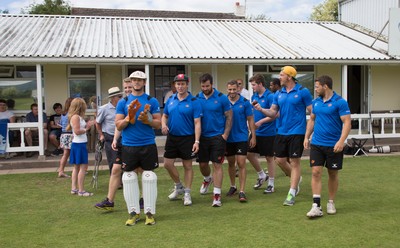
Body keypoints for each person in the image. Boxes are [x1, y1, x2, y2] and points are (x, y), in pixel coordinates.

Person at [254, 66, 313, 206]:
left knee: (294, 161)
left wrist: (308, 133)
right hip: (281, 131)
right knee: (279, 160)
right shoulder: (278, 94)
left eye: (281, 75)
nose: (279, 77)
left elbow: (313, 113)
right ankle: (296, 178)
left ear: (289, 76)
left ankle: (291, 192)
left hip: (297, 132)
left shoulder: (303, 92)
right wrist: (261, 109)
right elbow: (273, 112)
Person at [115, 71, 161, 225]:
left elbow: (158, 123)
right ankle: (133, 213)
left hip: (147, 144)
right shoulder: (123, 102)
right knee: (128, 177)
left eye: (140, 80)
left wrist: (148, 120)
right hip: (129, 145)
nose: (136, 82)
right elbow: (118, 125)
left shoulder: (151, 100)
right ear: (131, 81)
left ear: (144, 82)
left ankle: (149, 213)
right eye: (134, 80)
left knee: (149, 177)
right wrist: (129, 117)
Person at [304, 75, 351, 218]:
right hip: (317, 143)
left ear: (325, 86)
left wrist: (341, 141)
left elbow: (347, 123)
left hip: (333, 145)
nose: (316, 89)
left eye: (317, 86)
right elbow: (312, 120)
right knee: (316, 172)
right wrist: (306, 137)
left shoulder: (340, 102)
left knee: (332, 173)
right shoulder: (316, 102)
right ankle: (316, 206)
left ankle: (331, 202)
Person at [161, 74, 202, 206]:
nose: (180, 86)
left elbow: (197, 123)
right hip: (172, 137)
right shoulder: (171, 99)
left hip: (187, 138)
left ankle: (187, 193)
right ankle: (179, 186)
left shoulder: (194, 101)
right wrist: (163, 124)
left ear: (187, 84)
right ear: (175, 85)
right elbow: (164, 115)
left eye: (182, 84)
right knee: (167, 164)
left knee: (187, 166)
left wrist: (197, 141)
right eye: (178, 84)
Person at [95, 78, 135, 211]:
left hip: (133, 140)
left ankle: (141, 199)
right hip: (114, 138)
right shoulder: (107, 108)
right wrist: (109, 138)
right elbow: (117, 124)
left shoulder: (136, 102)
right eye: (126, 88)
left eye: (130, 87)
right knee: (115, 168)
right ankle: (110, 200)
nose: (127, 91)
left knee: (137, 170)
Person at [196, 73, 232, 207]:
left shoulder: (222, 98)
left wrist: (225, 135)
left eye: (207, 86)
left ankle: (217, 196)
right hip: (202, 137)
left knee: (217, 165)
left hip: (218, 136)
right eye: (203, 86)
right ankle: (207, 179)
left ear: (212, 84)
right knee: (203, 165)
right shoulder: (197, 98)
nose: (205, 88)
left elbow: (229, 116)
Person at [225, 80, 256, 202]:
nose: (232, 92)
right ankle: (233, 186)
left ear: (238, 89)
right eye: (230, 89)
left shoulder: (244, 102)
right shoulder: (223, 101)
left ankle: (242, 191)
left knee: (241, 163)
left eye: (234, 89)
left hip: (241, 137)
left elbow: (250, 119)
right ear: (227, 89)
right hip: (228, 138)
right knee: (231, 163)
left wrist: (253, 136)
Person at [247, 74, 277, 194]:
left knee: (269, 158)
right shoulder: (254, 96)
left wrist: (261, 121)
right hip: (256, 132)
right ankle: (262, 175)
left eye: (254, 85)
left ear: (260, 84)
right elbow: (253, 113)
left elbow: (275, 115)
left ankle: (271, 184)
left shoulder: (270, 96)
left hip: (268, 132)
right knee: (249, 154)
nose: (252, 87)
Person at [68, 98, 95, 196]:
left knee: (76, 168)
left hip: (78, 144)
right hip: (79, 144)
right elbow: (77, 131)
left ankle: (74, 188)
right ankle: (81, 190)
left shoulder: (77, 117)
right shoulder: (76, 117)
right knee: (83, 168)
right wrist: (87, 128)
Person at [95, 86, 123, 173]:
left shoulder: (122, 107)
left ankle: (122, 180)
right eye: (119, 96)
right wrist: (101, 135)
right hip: (110, 137)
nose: (121, 98)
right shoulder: (104, 109)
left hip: (123, 136)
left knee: (123, 160)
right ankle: (115, 180)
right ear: (113, 98)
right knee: (113, 160)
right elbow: (97, 123)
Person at [57, 97, 74, 178]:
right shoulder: (71, 114)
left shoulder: (63, 113)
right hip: (70, 135)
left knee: (65, 154)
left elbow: (60, 123)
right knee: (73, 153)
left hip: (63, 135)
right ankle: (77, 169)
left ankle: (61, 170)